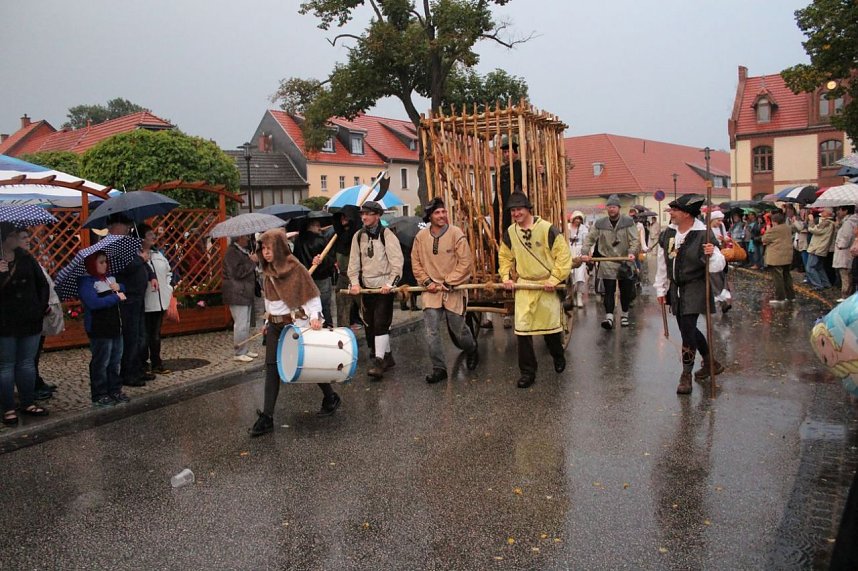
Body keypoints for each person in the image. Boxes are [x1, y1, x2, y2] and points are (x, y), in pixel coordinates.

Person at [248, 228, 340, 437]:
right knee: (271, 367)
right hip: (274, 325)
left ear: (279, 247)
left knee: (306, 363)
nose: (266, 251)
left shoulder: (296, 268)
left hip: (295, 323)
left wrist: (315, 316)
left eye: (269, 247)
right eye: (263, 248)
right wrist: (267, 320)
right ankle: (267, 417)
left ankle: (331, 396)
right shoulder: (267, 271)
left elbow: (311, 294)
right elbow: (269, 300)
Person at [654, 194, 726, 395]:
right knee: (689, 329)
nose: (671, 214)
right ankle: (710, 362)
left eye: (674, 210)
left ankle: (686, 375)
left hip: (695, 286)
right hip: (676, 288)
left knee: (687, 330)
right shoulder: (669, 233)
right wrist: (661, 287)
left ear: (686, 213)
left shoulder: (704, 234)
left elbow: (719, 265)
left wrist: (711, 254)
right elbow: (663, 262)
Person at [498, 192, 572, 388]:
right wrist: (505, 277)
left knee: (550, 329)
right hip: (525, 285)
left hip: (546, 285)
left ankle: (558, 355)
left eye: (519, 209)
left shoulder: (548, 230)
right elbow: (504, 256)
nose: (516, 213)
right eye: (513, 210)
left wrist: (555, 279)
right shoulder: (510, 233)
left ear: (528, 209)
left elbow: (563, 256)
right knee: (522, 331)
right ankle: (528, 372)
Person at [411, 197, 479, 384]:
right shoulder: (421, 237)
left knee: (459, 330)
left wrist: (449, 282)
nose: (442, 216)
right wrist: (426, 282)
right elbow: (416, 263)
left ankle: (472, 348)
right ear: (430, 217)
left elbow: (465, 262)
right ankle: (439, 368)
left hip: (453, 289)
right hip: (431, 291)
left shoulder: (456, 233)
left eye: (443, 212)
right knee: (431, 332)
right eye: (437, 213)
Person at [347, 201, 404, 380]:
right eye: (362, 214)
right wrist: (354, 283)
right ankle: (387, 356)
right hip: (366, 289)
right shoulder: (358, 236)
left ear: (378, 215)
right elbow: (353, 264)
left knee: (381, 323)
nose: (364, 217)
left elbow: (397, 263)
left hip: (384, 288)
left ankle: (378, 362)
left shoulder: (387, 235)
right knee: (370, 325)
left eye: (368, 214)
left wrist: (390, 284)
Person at [0, 222, 50, 425]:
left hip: (29, 320)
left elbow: (42, 284)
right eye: (12, 235)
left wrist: (40, 308)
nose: (17, 238)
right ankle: (8, 407)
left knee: (27, 364)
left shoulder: (26, 258)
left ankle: (28, 402)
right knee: (6, 365)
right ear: (3, 238)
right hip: (5, 322)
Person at [109, 214, 157, 387]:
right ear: (115, 226)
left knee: (139, 336)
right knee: (131, 337)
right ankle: (128, 373)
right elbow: (124, 268)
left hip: (138, 295)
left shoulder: (128, 243)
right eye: (124, 225)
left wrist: (150, 275)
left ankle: (137, 369)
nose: (128, 228)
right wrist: (140, 260)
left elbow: (143, 264)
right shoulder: (113, 246)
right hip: (128, 297)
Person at [78, 251, 130, 406]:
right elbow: (93, 303)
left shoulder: (109, 279)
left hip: (115, 325)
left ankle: (115, 389)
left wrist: (119, 287)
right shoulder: (86, 282)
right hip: (99, 328)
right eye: (100, 262)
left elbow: (124, 287)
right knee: (101, 361)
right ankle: (99, 393)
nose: (104, 265)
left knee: (115, 360)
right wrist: (116, 297)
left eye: (105, 262)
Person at [580, 194, 639, 329]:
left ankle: (624, 314)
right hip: (607, 260)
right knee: (609, 290)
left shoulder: (628, 221)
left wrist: (631, 252)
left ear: (619, 208)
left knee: (625, 290)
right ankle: (609, 317)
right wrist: (584, 252)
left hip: (625, 260)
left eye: (614, 207)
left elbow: (635, 240)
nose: (611, 209)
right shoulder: (600, 223)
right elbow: (590, 238)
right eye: (609, 207)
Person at [140, 225, 174, 375]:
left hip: (160, 301)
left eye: (153, 234)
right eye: (149, 234)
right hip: (146, 301)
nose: (153, 237)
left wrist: (168, 287)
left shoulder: (158, 254)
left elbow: (168, 272)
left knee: (155, 334)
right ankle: (143, 363)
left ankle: (156, 362)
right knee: (145, 335)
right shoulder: (138, 257)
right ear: (141, 238)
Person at [293, 211, 336, 328]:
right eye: (317, 225)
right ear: (310, 226)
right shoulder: (320, 240)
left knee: (307, 308)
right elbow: (330, 260)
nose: (320, 228)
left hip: (304, 278)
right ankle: (327, 327)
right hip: (321, 278)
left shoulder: (297, 241)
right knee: (324, 306)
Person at [222, 235, 259, 362]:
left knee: (246, 324)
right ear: (239, 238)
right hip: (237, 292)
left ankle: (244, 349)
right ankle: (239, 352)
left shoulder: (241, 251)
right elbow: (237, 273)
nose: (248, 239)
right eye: (245, 237)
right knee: (241, 325)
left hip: (244, 292)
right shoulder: (232, 252)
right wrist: (252, 262)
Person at [332, 205, 363, 330]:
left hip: (360, 277)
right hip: (343, 277)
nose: (343, 220)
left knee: (365, 307)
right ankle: (343, 333)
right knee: (342, 308)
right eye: (341, 217)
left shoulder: (360, 235)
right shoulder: (339, 235)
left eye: (346, 217)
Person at [761, 212, 796, 306]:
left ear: (774, 221)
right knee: (787, 276)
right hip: (787, 256)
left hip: (776, 257)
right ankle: (790, 296)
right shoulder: (788, 228)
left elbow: (764, 239)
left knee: (778, 278)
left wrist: (768, 228)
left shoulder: (774, 229)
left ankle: (780, 297)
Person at [708, 211, 733, 313]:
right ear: (712, 219)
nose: (719, 222)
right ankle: (721, 304)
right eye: (718, 220)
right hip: (711, 258)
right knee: (714, 281)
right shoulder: (706, 230)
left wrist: (725, 240)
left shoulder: (721, 227)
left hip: (721, 257)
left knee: (721, 280)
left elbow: (726, 238)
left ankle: (723, 303)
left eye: (720, 220)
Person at [833, 206, 858, 302]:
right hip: (852, 251)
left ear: (845, 210)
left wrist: (840, 244)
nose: (838, 211)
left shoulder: (848, 222)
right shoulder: (851, 221)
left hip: (845, 252)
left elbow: (846, 237)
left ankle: (845, 296)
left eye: (840, 209)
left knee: (845, 274)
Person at [806, 208, 835, 290]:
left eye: (824, 211)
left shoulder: (826, 223)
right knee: (819, 267)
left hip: (817, 248)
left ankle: (818, 285)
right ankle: (826, 283)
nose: (821, 212)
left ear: (828, 213)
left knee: (810, 267)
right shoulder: (829, 222)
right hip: (821, 248)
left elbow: (814, 230)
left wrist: (811, 220)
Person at [567, 210, 589, 309]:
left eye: (579, 219)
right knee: (571, 275)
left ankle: (579, 296)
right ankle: (572, 296)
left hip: (580, 251)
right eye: (576, 218)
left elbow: (587, 242)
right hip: (569, 251)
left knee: (580, 275)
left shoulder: (584, 229)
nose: (577, 221)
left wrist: (588, 252)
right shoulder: (567, 227)